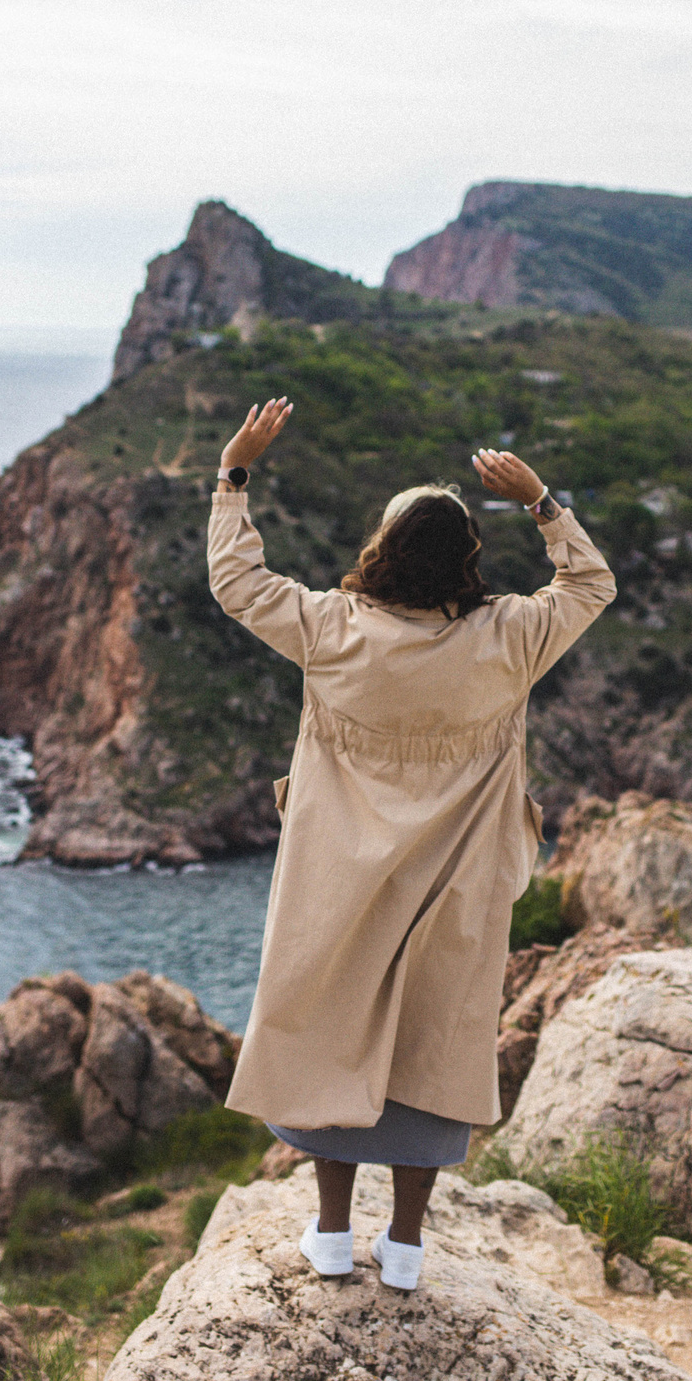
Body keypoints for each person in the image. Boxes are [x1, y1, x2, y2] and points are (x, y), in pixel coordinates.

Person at [206, 396, 615, 1290]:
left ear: (380, 552)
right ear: (467, 559)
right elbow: (590, 585)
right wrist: (542, 502)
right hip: (458, 881)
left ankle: (327, 1231)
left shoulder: (328, 630)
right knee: (435, 1041)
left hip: (336, 879)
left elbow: (237, 582)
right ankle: (407, 1245)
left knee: (334, 1029)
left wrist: (236, 474)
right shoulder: (508, 638)